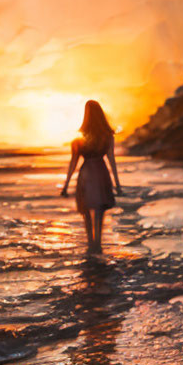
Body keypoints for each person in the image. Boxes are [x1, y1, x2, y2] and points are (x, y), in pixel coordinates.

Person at [60, 100, 122, 254]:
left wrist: (66, 185)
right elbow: (112, 160)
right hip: (100, 172)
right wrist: (118, 185)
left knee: (86, 210)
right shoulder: (107, 137)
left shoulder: (79, 140)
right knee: (99, 210)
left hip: (86, 173)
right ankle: (97, 244)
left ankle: (90, 244)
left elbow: (73, 163)